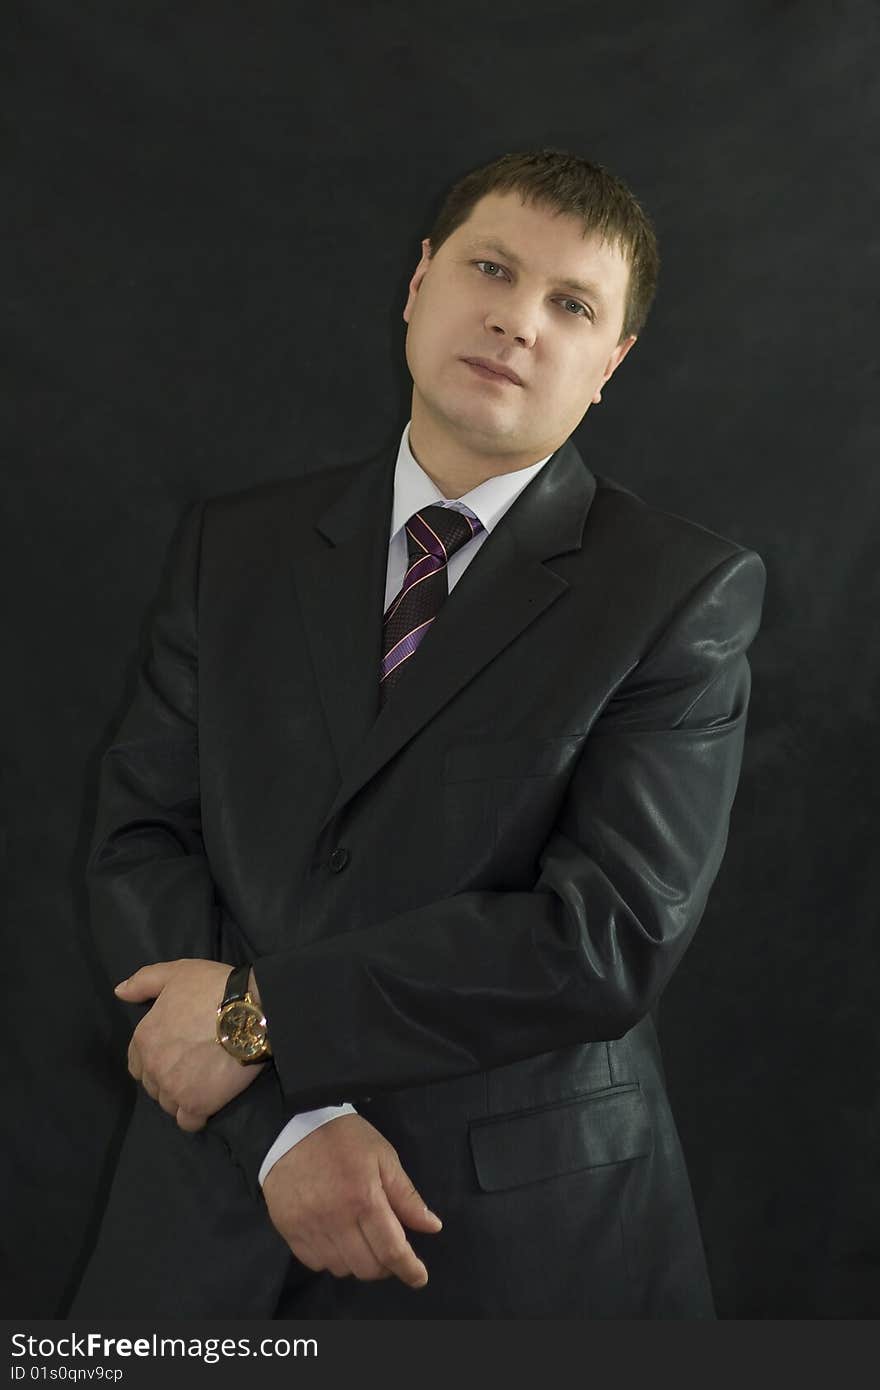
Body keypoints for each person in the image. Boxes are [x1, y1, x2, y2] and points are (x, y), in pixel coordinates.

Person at [71, 147, 766, 1319]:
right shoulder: (233, 549)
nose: (516, 322)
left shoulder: (679, 592)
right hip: (213, 1200)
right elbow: (142, 840)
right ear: (418, 284)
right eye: (489, 270)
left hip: (511, 1238)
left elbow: (603, 937)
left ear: (612, 364)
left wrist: (261, 1014)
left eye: (570, 305)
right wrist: (287, 1116)